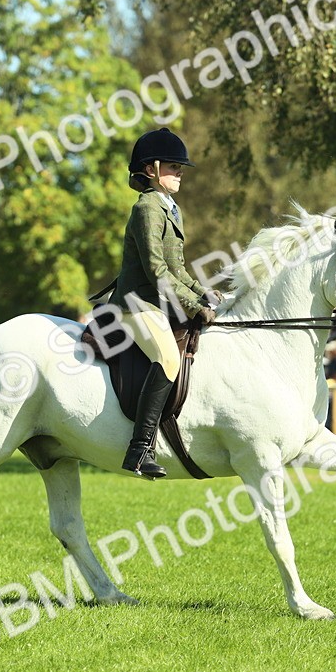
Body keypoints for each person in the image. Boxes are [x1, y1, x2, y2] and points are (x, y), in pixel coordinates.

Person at [109, 128, 220, 478]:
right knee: (168, 358)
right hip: (134, 304)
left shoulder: (171, 209)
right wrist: (192, 306)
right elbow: (156, 271)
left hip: (156, 304)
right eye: (174, 166)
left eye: (180, 166)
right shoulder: (148, 208)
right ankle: (140, 448)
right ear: (152, 168)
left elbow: (178, 269)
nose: (180, 172)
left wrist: (204, 294)